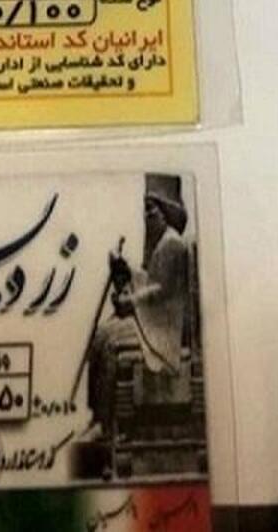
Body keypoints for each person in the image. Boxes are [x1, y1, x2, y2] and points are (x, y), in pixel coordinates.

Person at [86, 176, 190, 436]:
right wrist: (124, 269)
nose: (147, 217)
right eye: (145, 211)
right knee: (101, 334)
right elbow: (150, 280)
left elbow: (161, 291)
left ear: (165, 213)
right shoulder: (164, 243)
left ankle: (107, 424)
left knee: (111, 343)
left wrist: (130, 302)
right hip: (153, 317)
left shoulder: (173, 245)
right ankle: (98, 415)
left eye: (151, 210)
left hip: (163, 327)